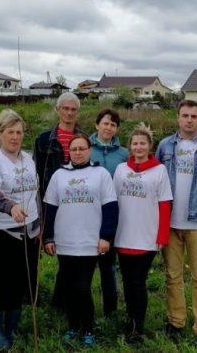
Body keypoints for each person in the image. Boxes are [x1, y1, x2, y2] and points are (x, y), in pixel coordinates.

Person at [155, 99, 197, 341]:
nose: (189, 120)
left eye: (194, 116)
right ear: (177, 118)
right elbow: (155, 182)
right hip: (171, 224)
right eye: (185, 115)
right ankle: (175, 321)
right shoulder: (164, 147)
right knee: (172, 275)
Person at [42, 134, 118, 347]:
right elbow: (50, 207)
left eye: (82, 148)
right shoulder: (59, 175)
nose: (78, 152)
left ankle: (88, 329)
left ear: (89, 150)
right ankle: (73, 326)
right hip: (64, 241)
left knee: (83, 287)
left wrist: (106, 236)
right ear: (69, 152)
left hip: (90, 242)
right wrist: (48, 236)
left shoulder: (101, 174)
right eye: (74, 149)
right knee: (68, 286)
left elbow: (110, 207)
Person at [0, 110, 40, 351]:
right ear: (0, 134)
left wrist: (38, 223)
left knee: (19, 281)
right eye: (10, 132)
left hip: (27, 231)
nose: (15, 137)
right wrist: (11, 206)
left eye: (19, 132)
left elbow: (34, 193)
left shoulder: (28, 158)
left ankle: (13, 326)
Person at [112, 123, 173, 343]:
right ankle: (130, 319)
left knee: (138, 282)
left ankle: (138, 326)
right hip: (123, 235)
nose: (138, 147)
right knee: (127, 282)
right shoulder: (121, 170)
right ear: (130, 146)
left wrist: (162, 236)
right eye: (135, 143)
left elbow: (165, 204)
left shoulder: (159, 170)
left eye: (142, 143)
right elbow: (113, 202)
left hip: (146, 237)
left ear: (150, 146)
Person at [34, 92, 84, 309]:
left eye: (73, 109)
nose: (69, 113)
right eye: (65, 109)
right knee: (52, 250)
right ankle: (38, 299)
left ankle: (65, 301)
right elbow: (35, 173)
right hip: (50, 203)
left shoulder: (83, 138)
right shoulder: (44, 139)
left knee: (73, 255)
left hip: (77, 203)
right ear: (58, 110)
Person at [89, 108, 129, 316]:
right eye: (105, 123)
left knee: (108, 265)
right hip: (87, 215)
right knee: (82, 265)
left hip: (112, 216)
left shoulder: (123, 154)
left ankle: (110, 310)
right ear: (97, 125)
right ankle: (74, 307)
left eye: (113, 125)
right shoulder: (85, 149)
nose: (108, 127)